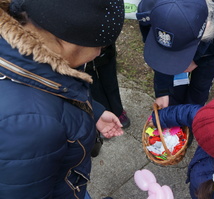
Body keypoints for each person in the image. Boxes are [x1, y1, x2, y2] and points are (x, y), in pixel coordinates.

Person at [0, 0, 124, 198]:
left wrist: (93, 111)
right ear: (69, 41)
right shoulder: (28, 126)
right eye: (101, 46)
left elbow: (59, 90)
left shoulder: (42, 62)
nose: (100, 52)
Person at [137, 0, 214, 108]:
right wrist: (162, 91)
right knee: (175, 90)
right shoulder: (148, 8)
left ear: (207, 26)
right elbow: (160, 50)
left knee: (199, 89)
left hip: (211, 50)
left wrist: (198, 60)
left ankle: (192, 119)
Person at [85, 43, 131, 129]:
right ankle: (103, 114)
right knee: (92, 87)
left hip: (104, 47)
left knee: (110, 81)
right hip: (80, 53)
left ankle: (118, 111)